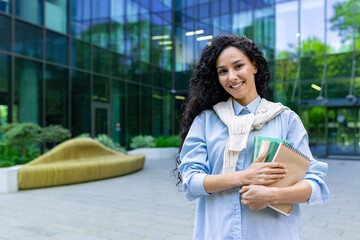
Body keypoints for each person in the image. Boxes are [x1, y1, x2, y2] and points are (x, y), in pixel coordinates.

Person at [176, 34, 329, 240]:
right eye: (223, 71)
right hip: (218, 232)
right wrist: (243, 177)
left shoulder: (285, 119)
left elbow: (314, 183)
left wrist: (273, 195)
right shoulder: (206, 121)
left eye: (238, 66)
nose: (232, 77)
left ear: (254, 66)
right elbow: (191, 182)